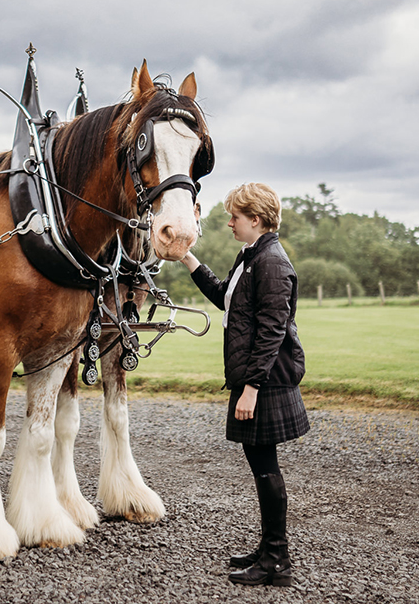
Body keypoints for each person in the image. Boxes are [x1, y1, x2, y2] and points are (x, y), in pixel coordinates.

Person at [179, 182, 308, 587]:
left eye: (235, 216)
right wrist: (185, 256)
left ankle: (276, 560)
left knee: (266, 466)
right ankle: (270, 548)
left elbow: (272, 330)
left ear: (256, 219)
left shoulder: (272, 263)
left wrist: (251, 387)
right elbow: (225, 297)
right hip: (255, 378)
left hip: (264, 382)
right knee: (260, 464)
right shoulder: (251, 256)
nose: (229, 221)